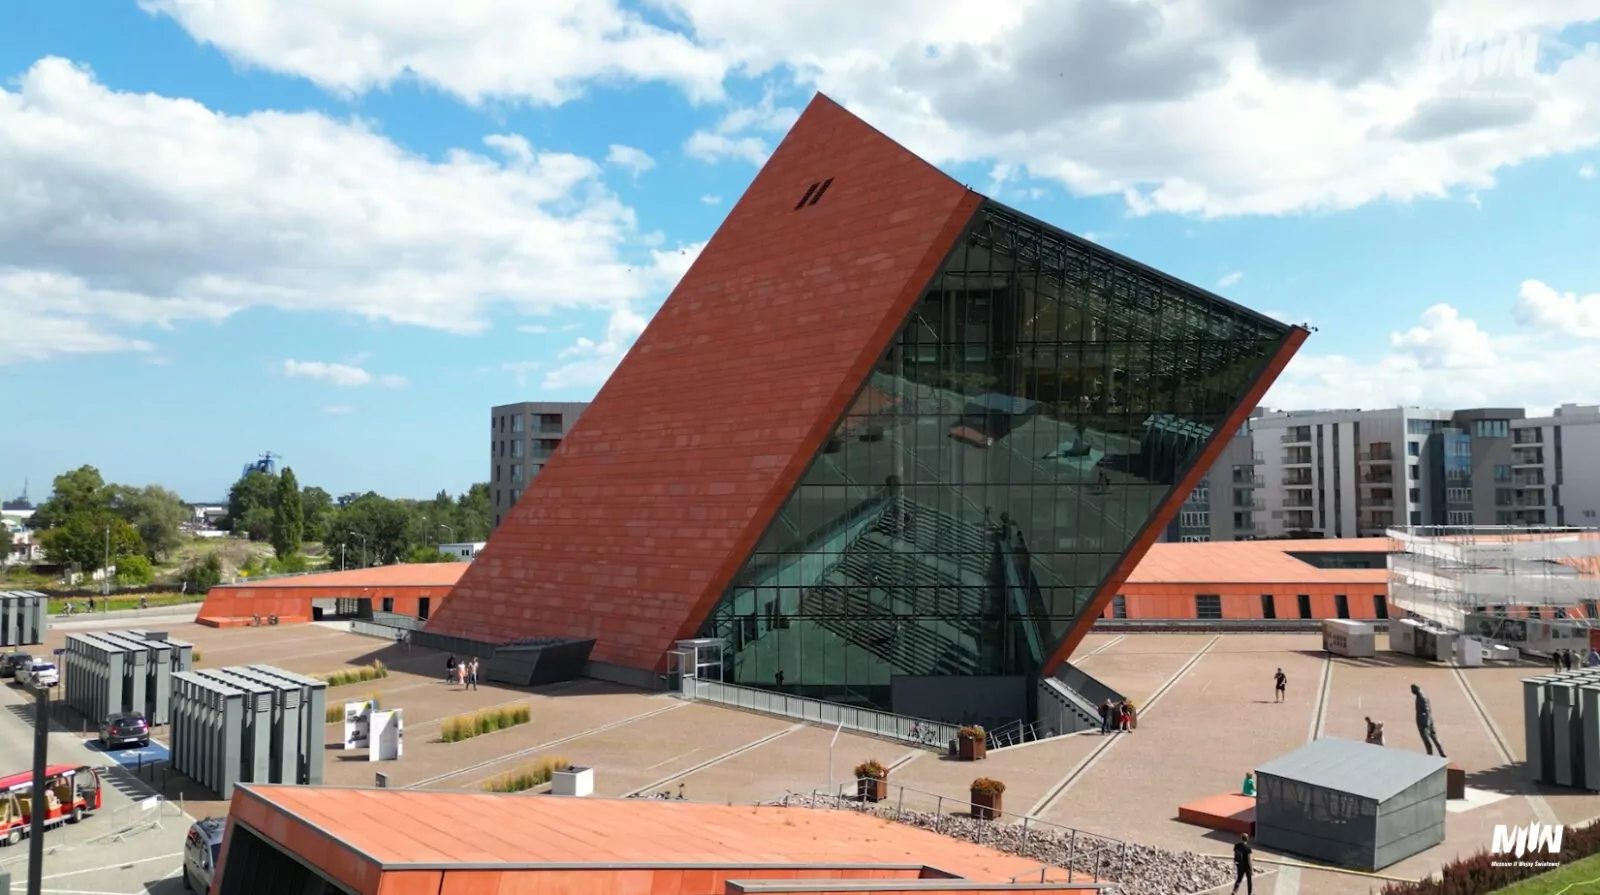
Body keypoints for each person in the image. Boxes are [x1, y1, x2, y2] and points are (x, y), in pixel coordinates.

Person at [1412, 684, 1447, 758]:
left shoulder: (1421, 698)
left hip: (1424, 723)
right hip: (1429, 721)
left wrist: (1425, 724)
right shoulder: (1422, 695)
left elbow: (1426, 711)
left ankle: (1430, 756)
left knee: (1427, 740)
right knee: (1435, 738)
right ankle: (1442, 754)